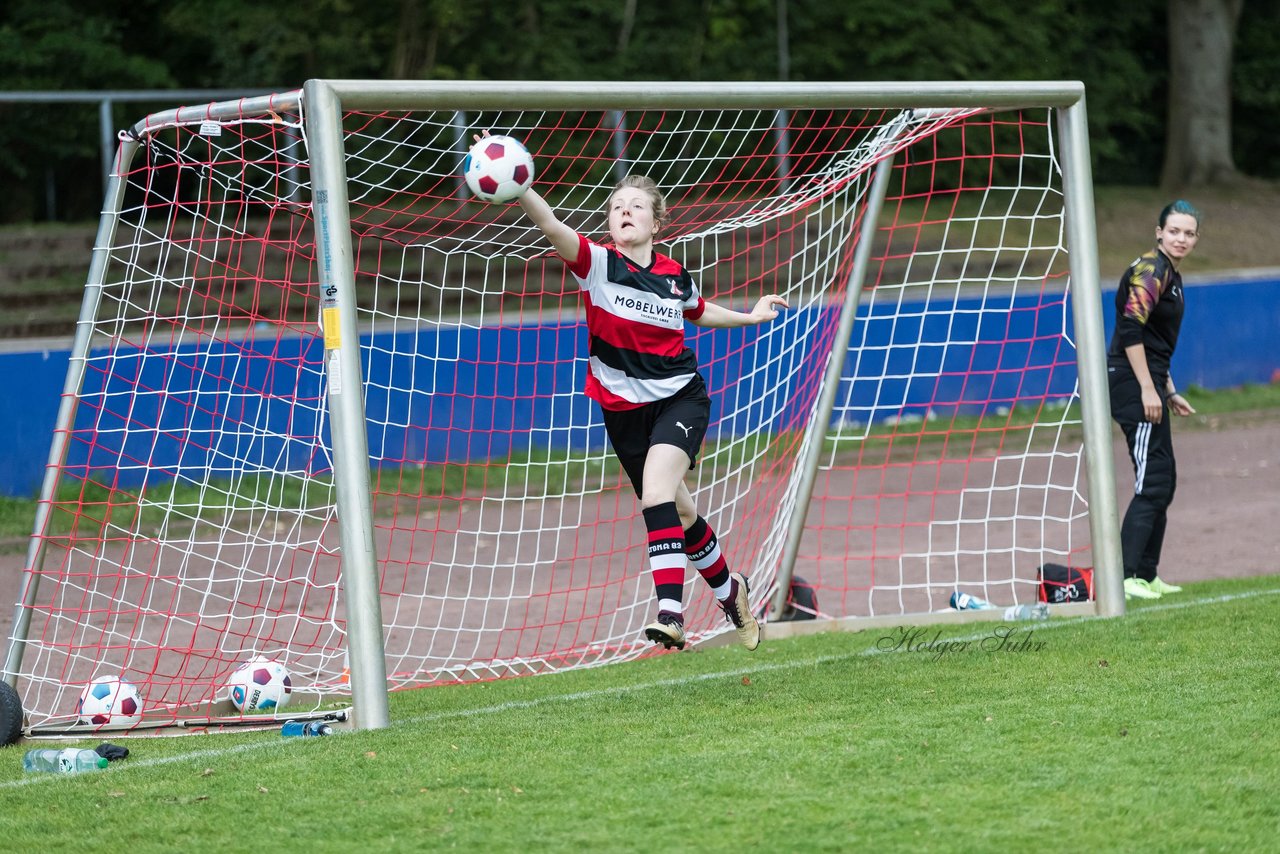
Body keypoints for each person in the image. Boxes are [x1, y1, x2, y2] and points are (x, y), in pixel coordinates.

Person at [511, 156, 788, 651]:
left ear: (656, 222)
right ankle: (732, 593)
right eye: (617, 206)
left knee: (655, 494)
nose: (625, 211)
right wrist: (519, 184)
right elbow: (550, 222)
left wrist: (751, 317)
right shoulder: (596, 264)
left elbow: (699, 312)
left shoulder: (675, 275)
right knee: (679, 514)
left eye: (637, 205)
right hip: (622, 415)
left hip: (680, 399)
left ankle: (671, 614)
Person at [1106, 200, 1201, 600]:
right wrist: (1148, 387)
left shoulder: (1168, 274)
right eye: (1174, 230)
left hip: (1150, 381)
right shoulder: (1151, 268)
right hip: (1132, 384)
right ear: (1158, 232)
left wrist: (1169, 389)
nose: (1181, 238)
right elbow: (1130, 330)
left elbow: (1154, 341)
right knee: (1153, 480)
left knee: (1163, 480)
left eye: (1189, 233)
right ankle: (1125, 578)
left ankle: (1146, 574)